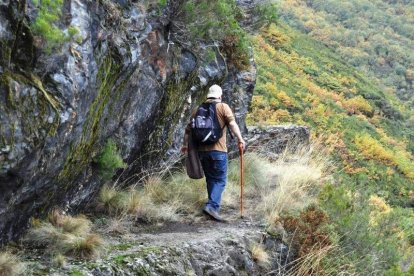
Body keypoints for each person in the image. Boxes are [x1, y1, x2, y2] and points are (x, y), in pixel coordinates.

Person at [181, 84, 246, 221]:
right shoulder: (223, 107)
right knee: (220, 180)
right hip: (218, 151)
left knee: (211, 179)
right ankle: (212, 206)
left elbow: (188, 130)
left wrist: (185, 145)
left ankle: (211, 209)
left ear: (208, 96)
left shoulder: (198, 109)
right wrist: (240, 139)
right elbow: (233, 124)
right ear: (220, 96)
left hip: (202, 152)